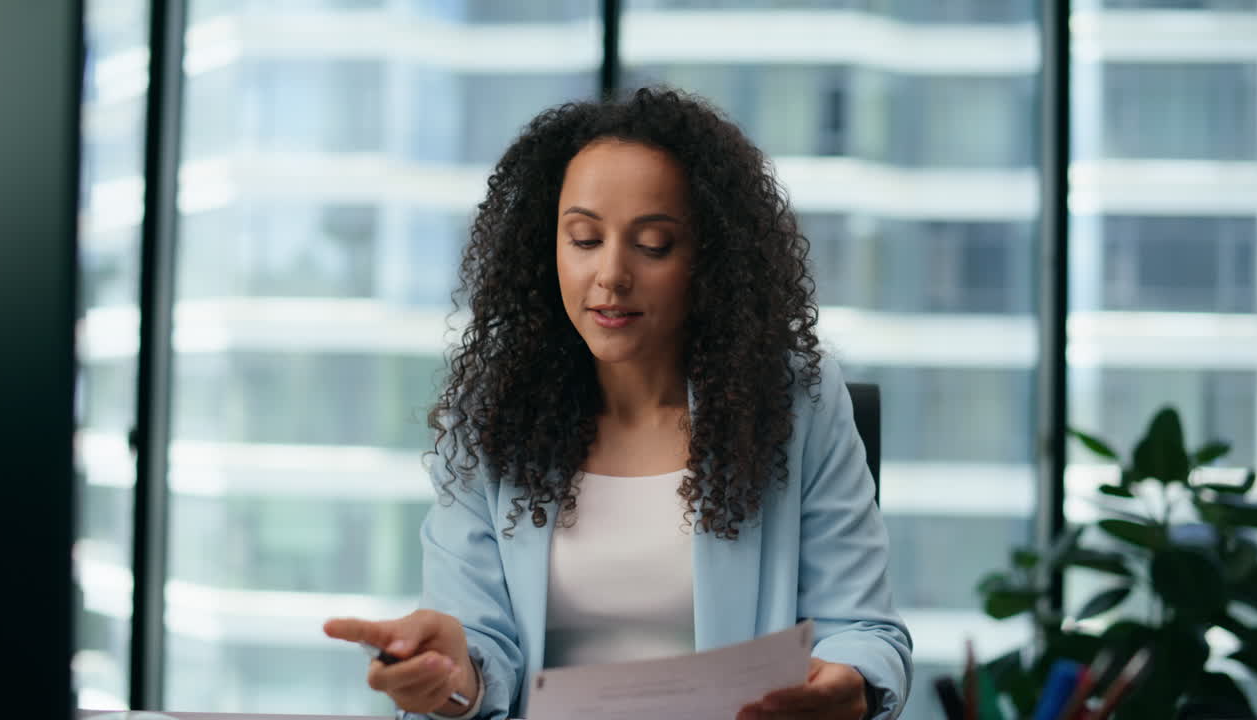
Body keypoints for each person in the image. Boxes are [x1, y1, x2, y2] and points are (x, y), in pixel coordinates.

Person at [324, 86, 912, 720]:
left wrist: (847, 684)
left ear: (709, 259)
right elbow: (479, 659)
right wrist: (446, 676)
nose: (611, 275)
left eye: (654, 244)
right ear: (545, 248)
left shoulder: (796, 402)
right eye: (583, 239)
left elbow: (864, 632)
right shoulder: (491, 414)